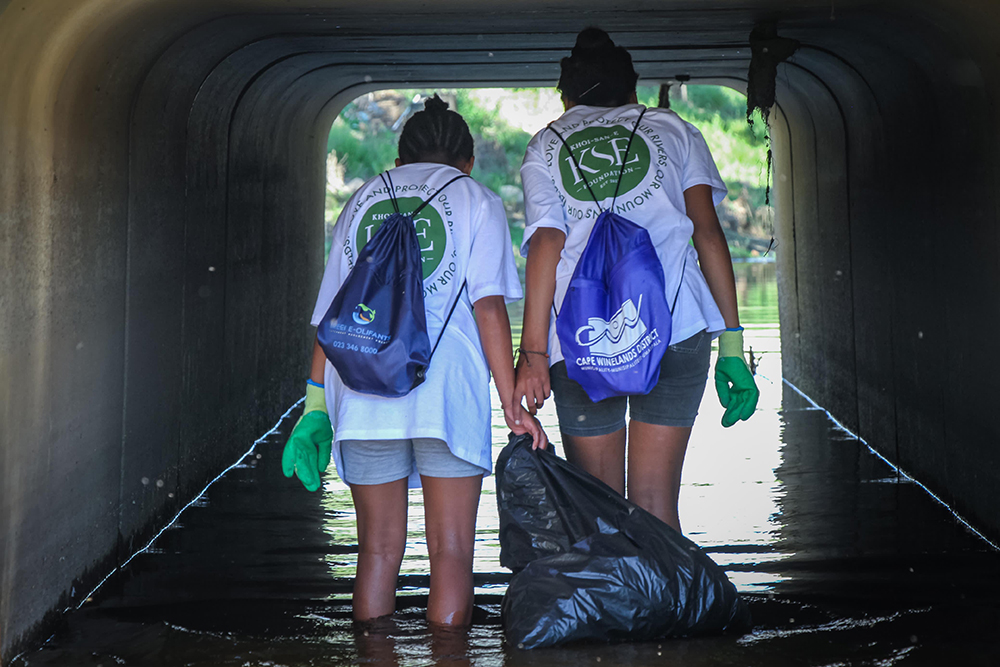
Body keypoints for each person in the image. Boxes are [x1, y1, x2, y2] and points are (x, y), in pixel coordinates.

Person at [282, 95, 547, 628]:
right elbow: (488, 306)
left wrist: (314, 407)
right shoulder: (476, 199)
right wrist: (510, 404)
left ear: (398, 160)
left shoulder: (362, 199)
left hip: (360, 392)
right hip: (444, 395)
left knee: (377, 553)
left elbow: (333, 313)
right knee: (451, 553)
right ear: (467, 161)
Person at [514, 28, 759, 533]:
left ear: (565, 97)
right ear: (633, 92)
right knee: (655, 502)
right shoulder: (673, 130)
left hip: (582, 340)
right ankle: (668, 610)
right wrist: (731, 340)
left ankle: (611, 611)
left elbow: (546, 246)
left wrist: (533, 354)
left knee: (599, 508)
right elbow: (708, 235)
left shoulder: (546, 145)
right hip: (677, 326)